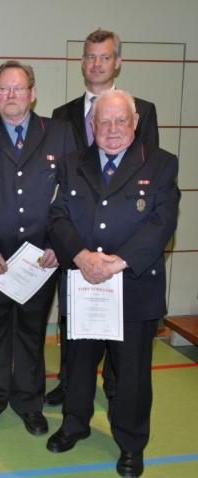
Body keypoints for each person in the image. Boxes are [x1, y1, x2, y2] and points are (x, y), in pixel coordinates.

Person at [46, 89, 179, 478]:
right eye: (104, 121)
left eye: (122, 120)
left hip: (132, 286)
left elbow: (162, 223)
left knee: (131, 375)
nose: (113, 128)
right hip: (84, 283)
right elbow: (57, 217)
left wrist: (117, 263)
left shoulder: (161, 164)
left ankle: (131, 444)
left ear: (135, 122)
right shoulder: (72, 164)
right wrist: (81, 257)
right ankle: (75, 425)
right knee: (78, 365)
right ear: (93, 125)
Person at [0, 61, 75, 437]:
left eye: (18, 88)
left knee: (31, 332)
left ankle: (28, 402)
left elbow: (74, 192)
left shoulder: (59, 134)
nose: (11, 95)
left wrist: (59, 243)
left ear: (33, 93)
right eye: (3, 89)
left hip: (40, 259)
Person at [47, 28, 160, 407]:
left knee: (123, 335)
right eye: (91, 57)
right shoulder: (62, 115)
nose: (97, 64)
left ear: (118, 62)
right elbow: (59, 189)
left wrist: (120, 255)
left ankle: (115, 388)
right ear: (82, 63)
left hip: (122, 251)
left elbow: (149, 181)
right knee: (76, 329)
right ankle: (69, 386)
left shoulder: (143, 110)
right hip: (78, 248)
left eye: (105, 57)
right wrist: (71, 247)